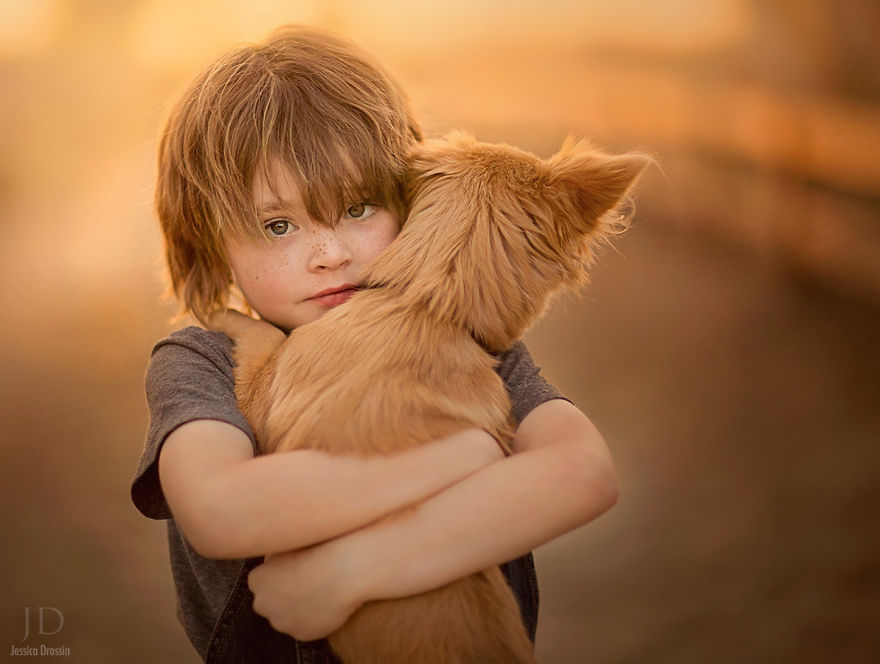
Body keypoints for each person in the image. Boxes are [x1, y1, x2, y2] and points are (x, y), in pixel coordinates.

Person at [131, 25, 619, 664]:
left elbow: (585, 473)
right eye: (277, 225)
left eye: (359, 208)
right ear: (210, 243)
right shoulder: (203, 364)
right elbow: (220, 511)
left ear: (416, 198)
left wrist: (352, 574)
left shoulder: (462, 340)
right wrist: (460, 454)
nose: (330, 253)